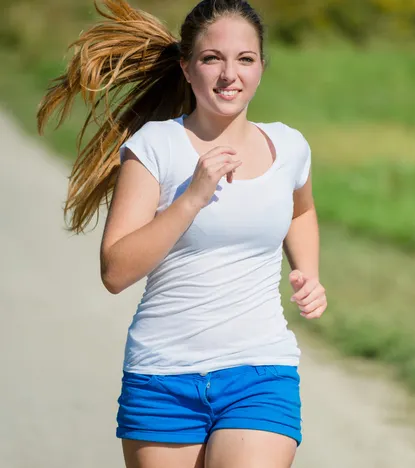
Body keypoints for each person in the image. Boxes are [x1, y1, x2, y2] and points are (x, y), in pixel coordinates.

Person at [36, 0, 327, 466]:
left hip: (260, 370)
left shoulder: (289, 146)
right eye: (212, 59)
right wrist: (192, 197)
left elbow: (300, 210)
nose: (229, 74)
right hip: (163, 376)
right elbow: (115, 270)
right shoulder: (155, 146)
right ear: (187, 69)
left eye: (245, 59)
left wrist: (307, 272)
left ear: (261, 68)